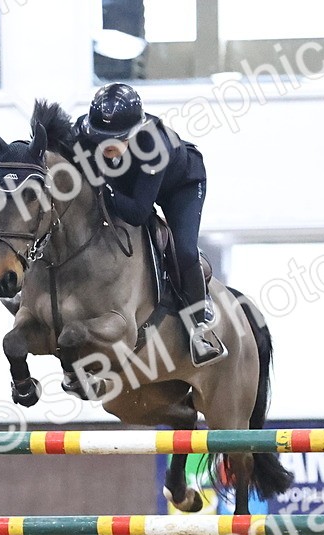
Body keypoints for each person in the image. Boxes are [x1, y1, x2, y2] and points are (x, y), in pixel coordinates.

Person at [74, 82, 225, 366]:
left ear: (134, 132)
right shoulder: (83, 131)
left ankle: (199, 326)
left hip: (181, 187)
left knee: (185, 251)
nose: (106, 145)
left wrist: (102, 184)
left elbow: (137, 213)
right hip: (130, 183)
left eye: (116, 138)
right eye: (100, 137)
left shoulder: (154, 145)